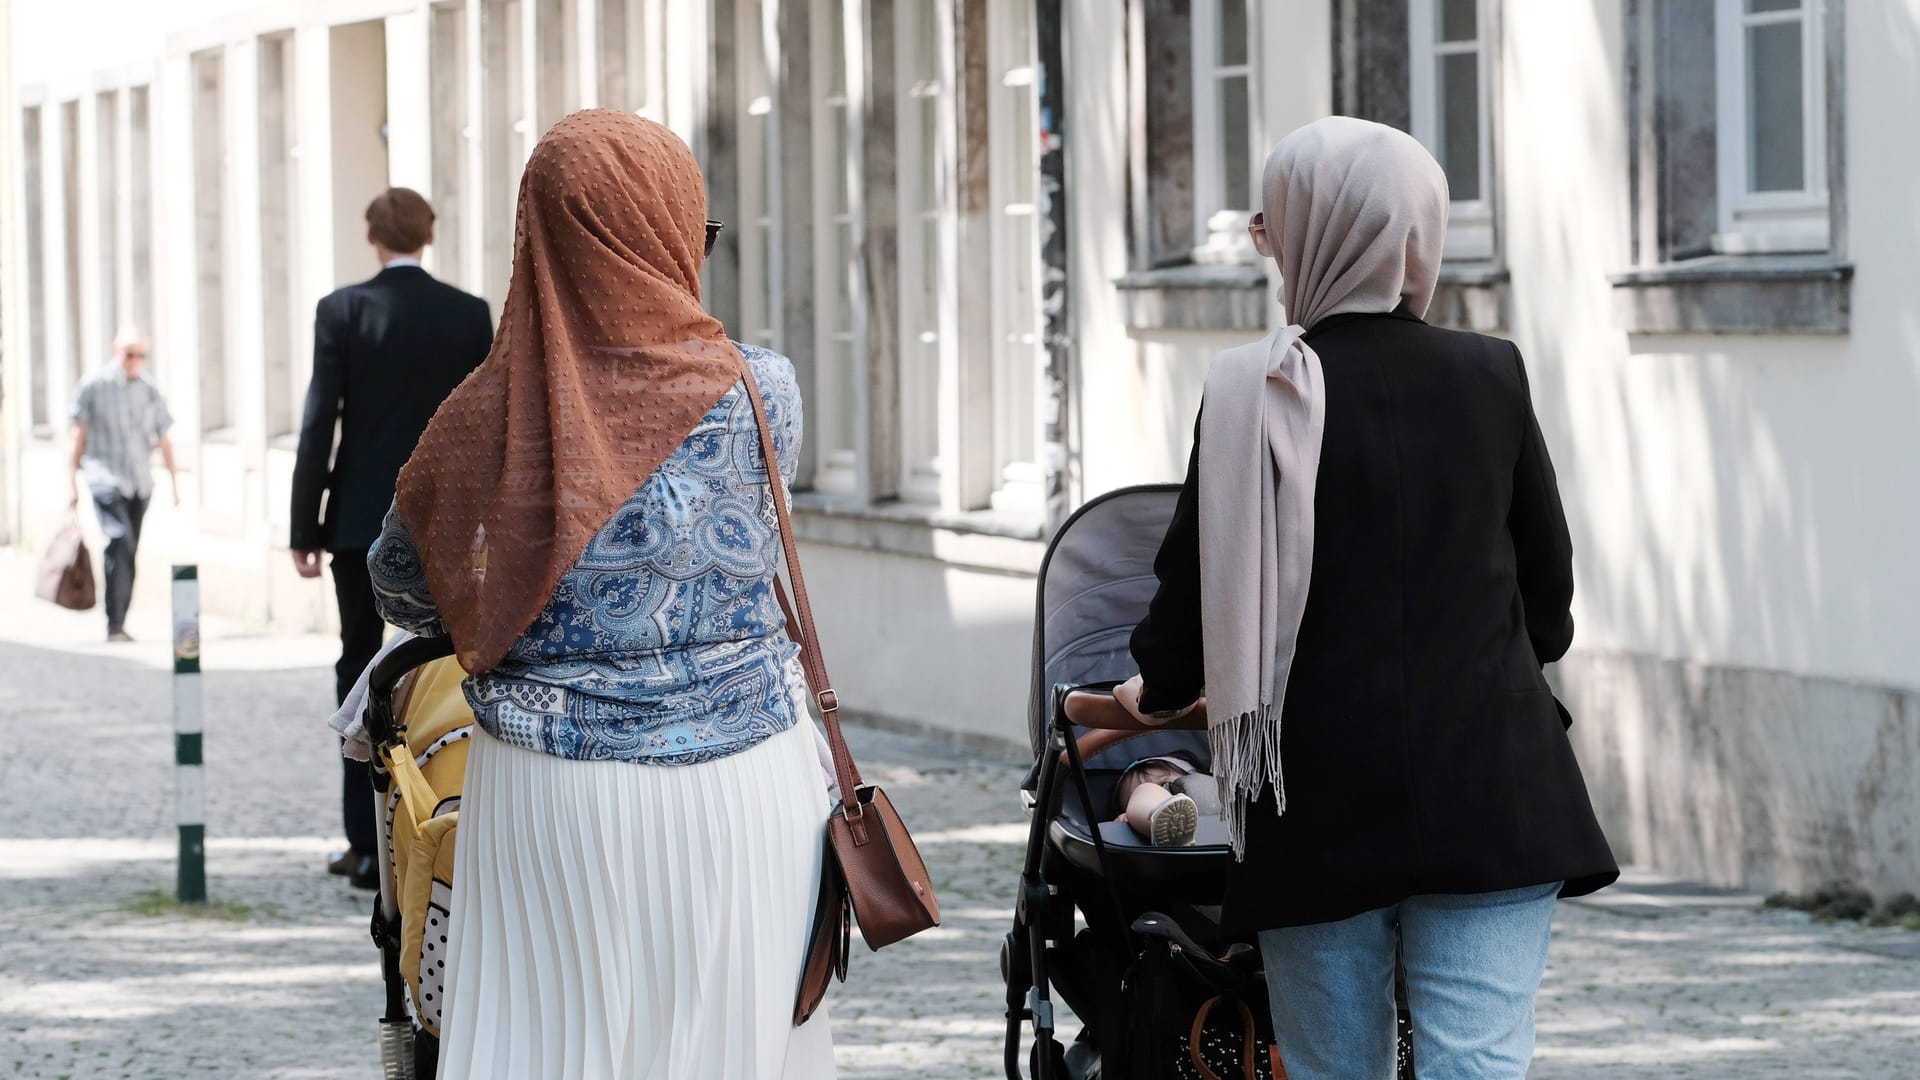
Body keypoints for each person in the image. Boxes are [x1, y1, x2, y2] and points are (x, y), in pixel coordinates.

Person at [1120, 117, 1619, 1079]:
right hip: (1492, 789)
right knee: (1476, 1063)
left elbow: (1179, 641)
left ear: (1302, 234)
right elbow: (1549, 602)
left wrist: (1165, 688)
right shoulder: (1491, 373)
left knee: (1333, 1069)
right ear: (1411, 236)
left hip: (1316, 810)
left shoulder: (1247, 396)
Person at [367, 111, 834, 1078]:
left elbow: (404, 589)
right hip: (747, 780)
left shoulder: (484, 422)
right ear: (666, 234)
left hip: (551, 790)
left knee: (550, 1044)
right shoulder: (763, 391)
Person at [290, 187, 492, 889]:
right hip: (452, 520)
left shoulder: (343, 311)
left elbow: (322, 423)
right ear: (429, 237)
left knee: (359, 664)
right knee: (453, 659)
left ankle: (366, 842)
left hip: (356, 520)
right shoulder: (468, 315)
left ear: (374, 237)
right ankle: (446, 817)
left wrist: (304, 527)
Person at [67, 328, 178, 642]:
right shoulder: (94, 386)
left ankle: (119, 619)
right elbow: (78, 436)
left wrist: (174, 482)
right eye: (130, 354)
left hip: (139, 483)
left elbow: (164, 438)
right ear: (117, 352)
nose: (135, 361)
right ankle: (114, 621)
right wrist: (71, 482)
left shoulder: (149, 389)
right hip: (104, 477)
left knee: (129, 550)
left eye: (141, 355)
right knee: (119, 539)